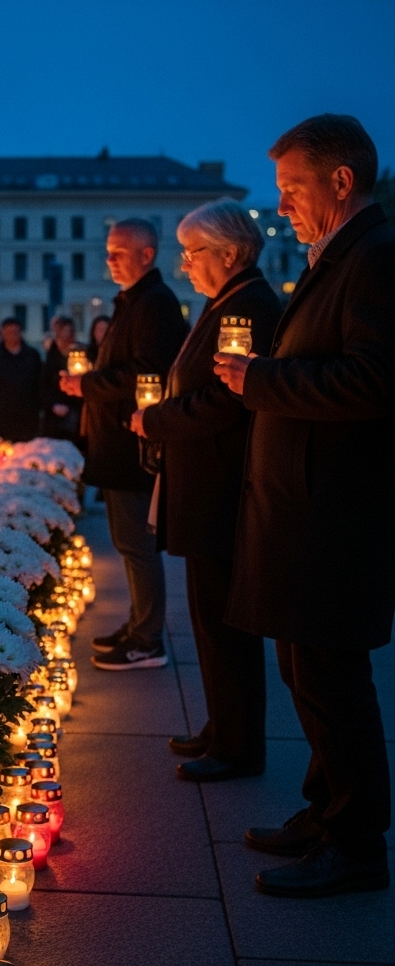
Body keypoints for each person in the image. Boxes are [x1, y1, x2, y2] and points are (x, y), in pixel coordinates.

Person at [214, 115, 393, 898]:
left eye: (292, 188)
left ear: (341, 181)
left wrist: (261, 381)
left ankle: (355, 846)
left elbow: (371, 382)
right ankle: (323, 813)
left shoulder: (376, 260)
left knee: (332, 681)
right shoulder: (340, 257)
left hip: (334, 518)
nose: (280, 204)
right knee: (306, 671)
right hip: (306, 513)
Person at [130, 199, 281, 783]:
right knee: (209, 618)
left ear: (230, 253)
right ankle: (223, 727)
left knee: (226, 622)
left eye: (193, 252)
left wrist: (159, 420)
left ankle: (239, 744)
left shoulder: (248, 307)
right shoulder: (225, 303)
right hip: (204, 486)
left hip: (221, 490)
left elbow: (228, 399)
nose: (185, 264)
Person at [60, 218, 187, 670]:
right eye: (108, 251)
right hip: (119, 440)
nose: (109, 259)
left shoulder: (154, 303)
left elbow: (147, 370)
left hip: (132, 443)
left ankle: (148, 638)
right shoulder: (135, 301)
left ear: (147, 254)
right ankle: (138, 624)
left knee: (135, 542)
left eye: (118, 251)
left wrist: (89, 385)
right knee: (127, 539)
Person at [0, 317, 44, 441]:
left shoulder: (31, 355)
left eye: (15, 332)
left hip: (26, 415)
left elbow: (40, 384)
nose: (12, 336)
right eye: (9, 332)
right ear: (2, 333)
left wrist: (41, 410)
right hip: (0, 415)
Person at [43, 316, 83, 443]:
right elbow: (43, 384)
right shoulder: (51, 356)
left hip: (75, 409)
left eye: (70, 331)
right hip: (55, 412)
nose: (67, 335)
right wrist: (53, 404)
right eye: (63, 331)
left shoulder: (80, 353)